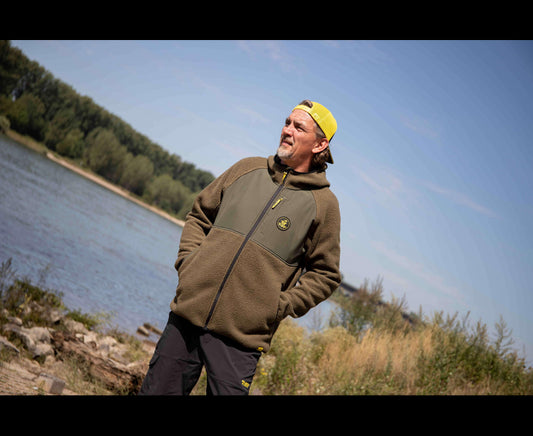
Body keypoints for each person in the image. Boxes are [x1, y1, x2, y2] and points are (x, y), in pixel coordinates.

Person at [139, 100, 342, 395]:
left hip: (242, 338)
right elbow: (199, 215)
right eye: (287, 122)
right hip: (188, 315)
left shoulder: (324, 205)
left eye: (299, 127)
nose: (287, 130)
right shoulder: (246, 169)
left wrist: (277, 306)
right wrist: (188, 263)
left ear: (320, 144)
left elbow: (325, 275)